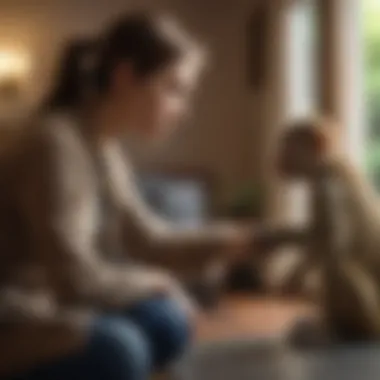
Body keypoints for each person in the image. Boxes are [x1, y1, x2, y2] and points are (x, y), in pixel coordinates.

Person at [0, 12, 255, 380]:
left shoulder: (103, 146)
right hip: (13, 314)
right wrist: (158, 282)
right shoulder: (53, 143)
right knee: (122, 351)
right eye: (174, 88)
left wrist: (230, 240)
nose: (183, 109)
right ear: (125, 77)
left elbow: (147, 238)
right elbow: (74, 279)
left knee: (166, 324)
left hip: (50, 302)